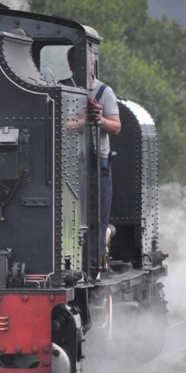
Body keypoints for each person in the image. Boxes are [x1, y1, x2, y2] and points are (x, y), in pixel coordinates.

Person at [68, 45, 121, 273]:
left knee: (96, 215)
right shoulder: (64, 88)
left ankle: (94, 262)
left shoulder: (104, 92)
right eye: (78, 62)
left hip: (97, 162)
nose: (83, 66)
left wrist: (99, 119)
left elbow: (116, 127)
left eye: (86, 62)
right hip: (69, 161)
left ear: (92, 64)